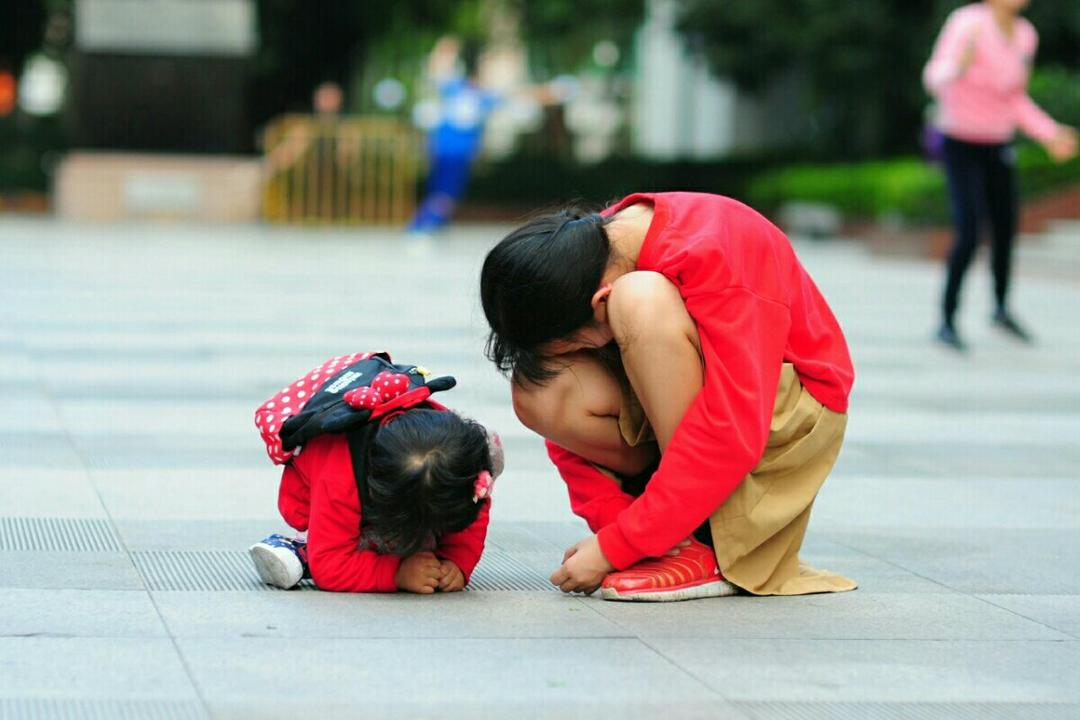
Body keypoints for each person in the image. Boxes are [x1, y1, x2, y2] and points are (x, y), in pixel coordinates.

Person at [480, 193, 856, 602]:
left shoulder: (712, 250)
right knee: (540, 387)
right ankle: (677, 538)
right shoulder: (588, 251)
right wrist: (616, 522)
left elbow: (732, 433)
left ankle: (701, 535)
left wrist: (618, 547)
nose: (580, 355)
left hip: (785, 417)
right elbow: (569, 440)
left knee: (640, 299)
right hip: (701, 417)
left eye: (574, 345)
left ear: (598, 301)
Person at [248, 352, 504, 593]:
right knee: (339, 549)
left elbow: (472, 509)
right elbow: (330, 566)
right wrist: (395, 574)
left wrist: (456, 561)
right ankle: (298, 549)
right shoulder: (340, 478)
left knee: (439, 509)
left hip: (397, 485)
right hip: (314, 493)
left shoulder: (460, 454)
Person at [923, 0, 1078, 350]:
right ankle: (947, 319)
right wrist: (957, 68)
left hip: (997, 142)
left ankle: (1001, 309)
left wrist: (1049, 133)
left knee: (1006, 227)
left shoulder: (1025, 35)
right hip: (960, 139)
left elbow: (1015, 99)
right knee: (969, 230)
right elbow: (933, 77)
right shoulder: (966, 23)